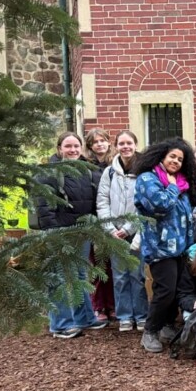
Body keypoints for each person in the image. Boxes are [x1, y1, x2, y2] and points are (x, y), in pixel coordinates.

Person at [36, 132, 108, 338]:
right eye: (68, 146)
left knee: (80, 275)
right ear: (59, 149)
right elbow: (43, 204)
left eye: (76, 146)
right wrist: (51, 230)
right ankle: (60, 324)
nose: (73, 150)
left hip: (82, 231)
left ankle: (84, 318)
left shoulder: (87, 170)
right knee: (58, 277)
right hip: (59, 231)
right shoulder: (50, 172)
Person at [134, 137, 196, 353]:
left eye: (180, 159)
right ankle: (150, 331)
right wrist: (172, 188)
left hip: (180, 248)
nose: (176, 161)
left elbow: (185, 215)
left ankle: (167, 326)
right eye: (172, 156)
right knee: (165, 290)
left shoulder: (180, 182)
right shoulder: (147, 179)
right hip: (159, 247)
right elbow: (160, 206)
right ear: (162, 155)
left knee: (177, 289)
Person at [96, 130, 148, 332]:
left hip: (135, 232)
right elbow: (102, 201)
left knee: (138, 275)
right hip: (114, 233)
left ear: (135, 144)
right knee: (119, 277)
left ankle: (141, 315)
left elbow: (143, 203)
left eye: (129, 143)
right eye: (122, 143)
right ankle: (125, 316)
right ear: (116, 146)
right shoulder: (109, 172)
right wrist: (110, 228)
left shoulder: (144, 171)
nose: (126, 147)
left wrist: (128, 229)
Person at [84, 128, 115, 322]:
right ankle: (98, 305)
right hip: (94, 220)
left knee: (112, 265)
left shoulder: (116, 164)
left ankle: (112, 305)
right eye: (95, 142)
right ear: (90, 146)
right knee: (96, 265)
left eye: (102, 140)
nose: (99, 145)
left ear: (108, 142)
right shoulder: (86, 166)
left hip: (113, 219)